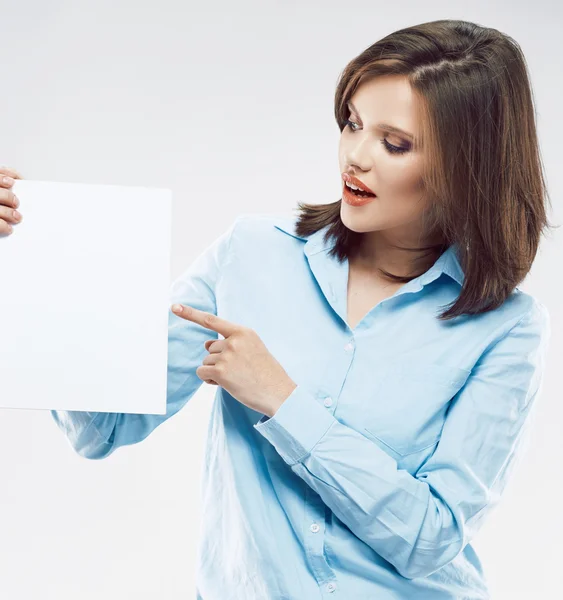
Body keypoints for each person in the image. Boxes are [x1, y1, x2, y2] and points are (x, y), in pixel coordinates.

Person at [1, 18, 555, 600]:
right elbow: (103, 429)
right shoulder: (252, 254)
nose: (356, 156)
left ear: (465, 169)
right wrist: (36, 272)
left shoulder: (507, 329)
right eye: (353, 123)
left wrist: (283, 403)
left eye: (395, 144)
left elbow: (430, 538)